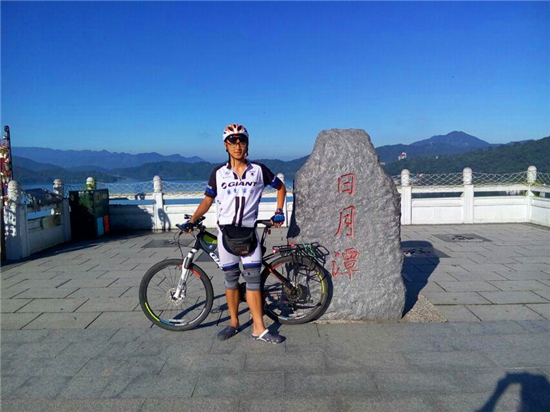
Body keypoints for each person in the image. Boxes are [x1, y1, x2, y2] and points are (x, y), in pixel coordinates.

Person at [184, 124, 287, 343]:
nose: (237, 146)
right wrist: (192, 220)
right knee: (230, 280)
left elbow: (280, 187)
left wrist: (279, 211)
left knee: (253, 281)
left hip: (249, 234)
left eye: (242, 141)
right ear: (226, 145)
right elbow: (207, 201)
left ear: (247, 145)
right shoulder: (218, 173)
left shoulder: (258, 170)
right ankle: (233, 323)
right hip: (226, 235)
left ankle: (259, 328)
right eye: (233, 141)